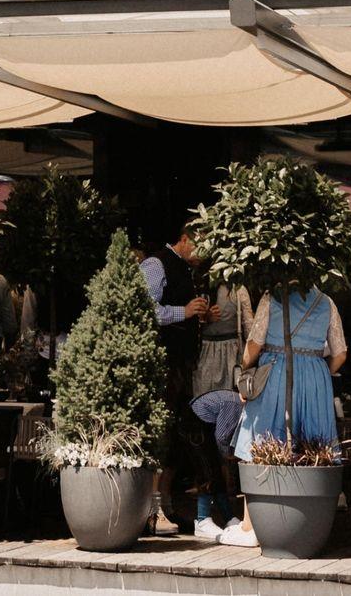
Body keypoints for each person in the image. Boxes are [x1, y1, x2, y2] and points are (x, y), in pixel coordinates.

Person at [226, 285, 348, 549]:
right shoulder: (326, 301)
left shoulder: (272, 297)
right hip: (315, 377)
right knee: (313, 445)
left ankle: (251, 526)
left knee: (259, 440)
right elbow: (340, 353)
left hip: (276, 374)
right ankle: (307, 522)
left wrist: (245, 367)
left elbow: (255, 342)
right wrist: (318, 372)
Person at [141, 224, 213, 535]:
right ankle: (152, 509)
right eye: (200, 245)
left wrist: (200, 316)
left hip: (183, 365)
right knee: (161, 432)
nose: (203, 254)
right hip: (163, 363)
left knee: (177, 435)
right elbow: (145, 308)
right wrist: (183, 312)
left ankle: (166, 504)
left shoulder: (187, 270)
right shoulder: (156, 264)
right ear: (184, 239)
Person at [185, 386, 245, 540]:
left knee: (215, 474)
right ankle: (202, 520)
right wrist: (230, 457)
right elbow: (222, 437)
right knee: (207, 472)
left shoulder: (235, 401)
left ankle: (229, 518)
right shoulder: (235, 404)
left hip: (201, 425)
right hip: (196, 426)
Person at [190, 283, 254, 400]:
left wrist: (204, 319)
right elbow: (249, 329)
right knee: (231, 398)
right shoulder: (239, 290)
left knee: (205, 398)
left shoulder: (201, 287)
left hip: (206, 353)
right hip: (232, 353)